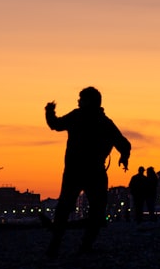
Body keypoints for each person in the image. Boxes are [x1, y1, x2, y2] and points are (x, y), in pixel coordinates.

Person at [44, 86, 132, 258]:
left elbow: (55, 125)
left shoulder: (77, 116)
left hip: (74, 171)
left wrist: (49, 111)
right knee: (97, 209)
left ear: (88, 101)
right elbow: (124, 144)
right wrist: (124, 157)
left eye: (80, 99)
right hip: (95, 171)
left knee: (65, 207)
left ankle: (55, 245)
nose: (78, 102)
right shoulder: (105, 122)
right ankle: (85, 245)